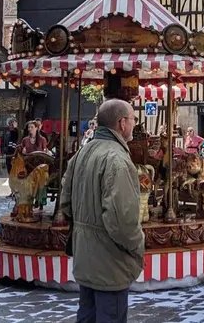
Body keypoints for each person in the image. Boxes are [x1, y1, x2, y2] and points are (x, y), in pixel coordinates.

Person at [61, 99, 144, 323]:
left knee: (86, 315)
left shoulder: (82, 153)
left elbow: (65, 202)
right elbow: (122, 220)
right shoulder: (117, 160)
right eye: (133, 119)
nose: (135, 124)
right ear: (122, 123)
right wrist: (136, 246)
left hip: (85, 257)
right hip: (110, 261)